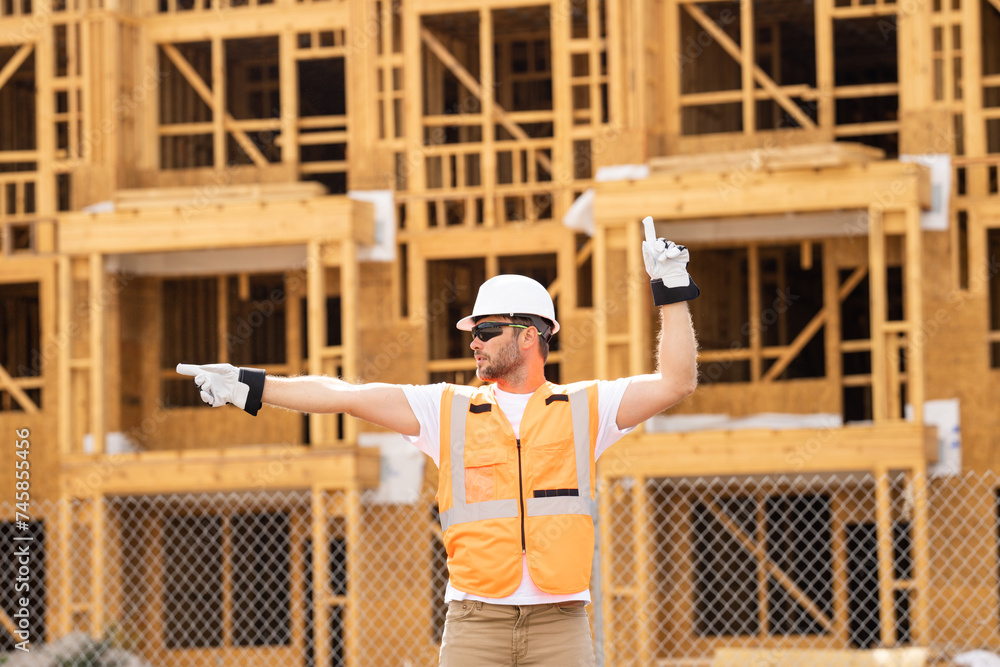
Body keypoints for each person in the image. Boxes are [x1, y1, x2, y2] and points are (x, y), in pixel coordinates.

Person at [177, 227, 699, 666]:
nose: (473, 340)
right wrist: (253, 385)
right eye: (472, 330)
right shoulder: (444, 410)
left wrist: (671, 289)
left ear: (528, 336)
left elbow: (675, 382)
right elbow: (346, 396)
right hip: (475, 621)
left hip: (560, 622)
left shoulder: (587, 407)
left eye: (486, 330)